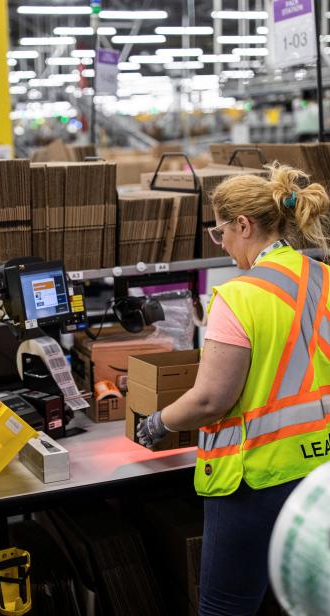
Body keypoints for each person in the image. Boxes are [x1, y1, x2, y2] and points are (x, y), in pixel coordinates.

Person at [137, 163, 330, 615]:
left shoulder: (239, 296)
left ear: (244, 225)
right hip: (318, 472)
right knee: (299, 599)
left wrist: (158, 422)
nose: (221, 245)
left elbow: (211, 399)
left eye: (220, 233)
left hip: (255, 477)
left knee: (227, 606)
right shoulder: (323, 277)